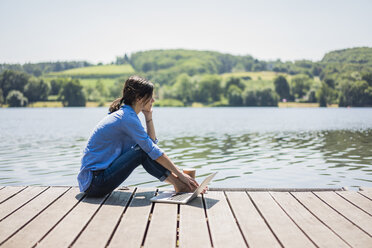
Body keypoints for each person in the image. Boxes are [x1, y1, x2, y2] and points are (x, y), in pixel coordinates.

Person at [77, 75, 205, 197]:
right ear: (139, 98)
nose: (153, 100)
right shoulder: (126, 118)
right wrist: (180, 174)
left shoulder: (126, 115)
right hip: (95, 183)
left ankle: (181, 185)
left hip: (95, 182)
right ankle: (180, 185)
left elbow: (151, 146)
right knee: (143, 150)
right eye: (150, 97)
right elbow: (150, 149)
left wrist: (148, 117)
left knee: (144, 149)